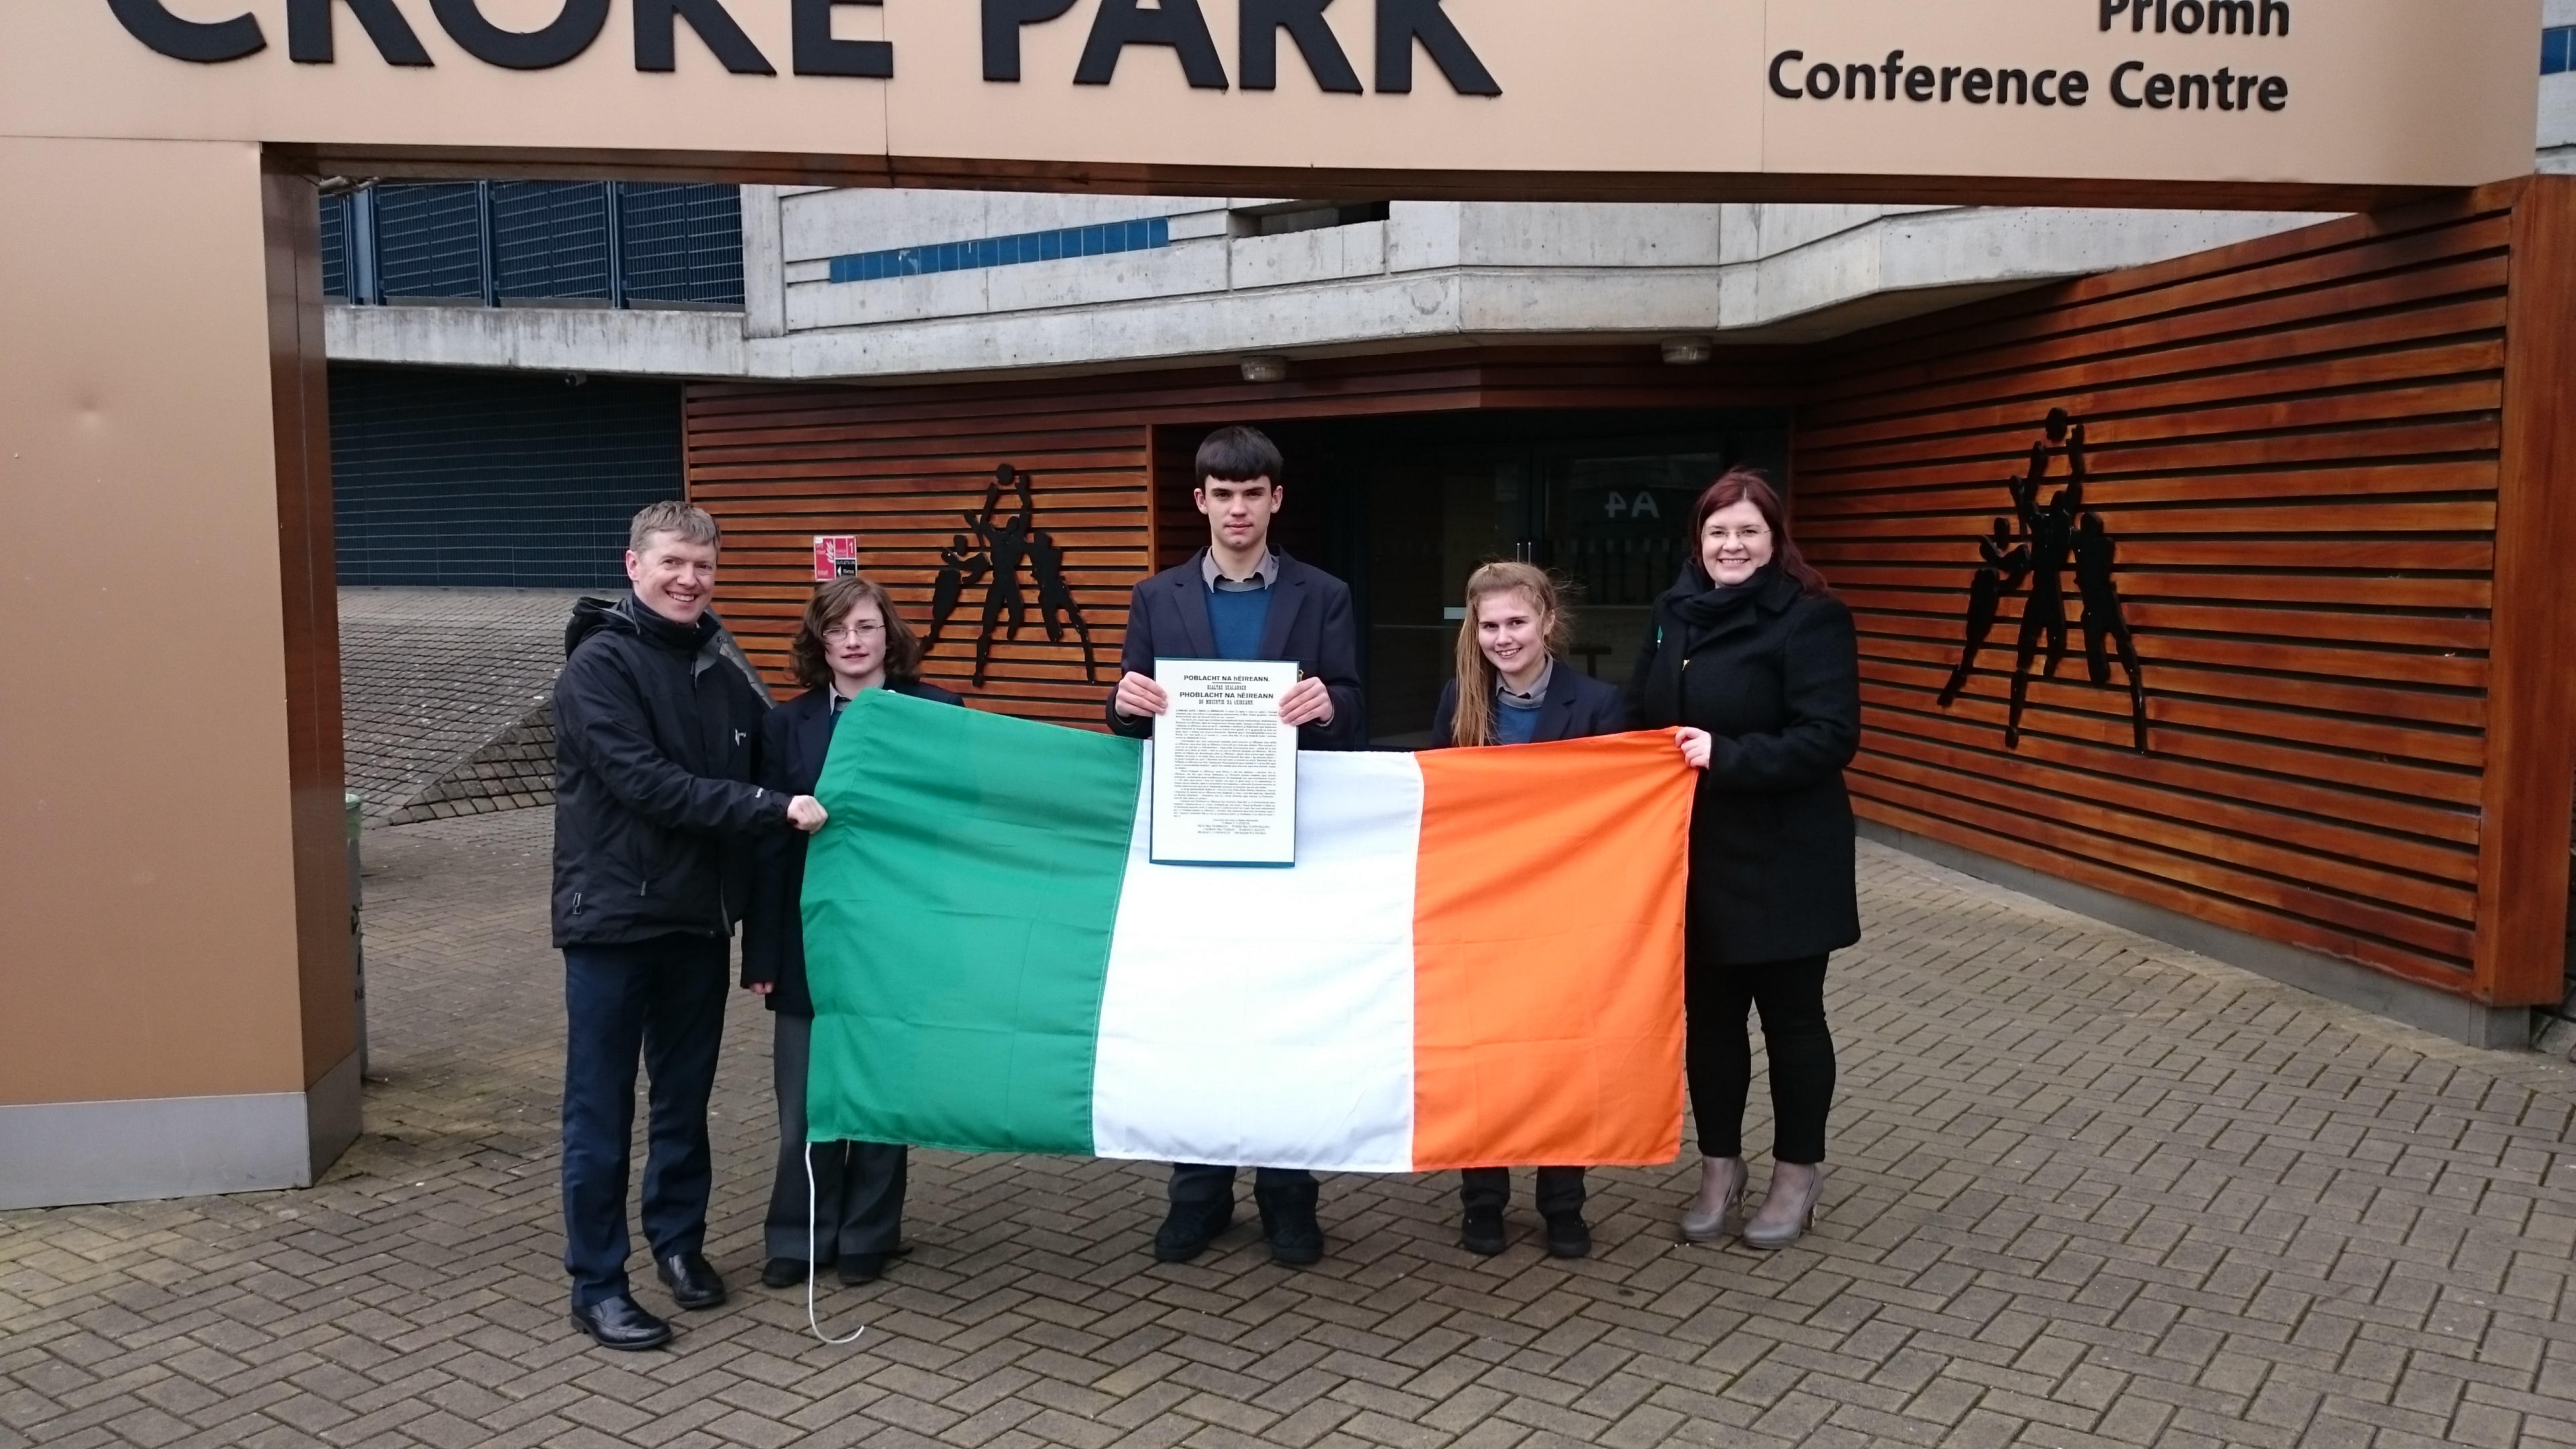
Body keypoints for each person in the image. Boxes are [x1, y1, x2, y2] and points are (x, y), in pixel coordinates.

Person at [551, 500, 830, 1351]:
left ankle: (677, 1243)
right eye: (672, 562)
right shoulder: (598, 668)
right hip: (613, 923)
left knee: (684, 1102)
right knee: (600, 1110)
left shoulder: (723, 671)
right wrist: (774, 805)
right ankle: (598, 1283)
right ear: (633, 564)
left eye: (703, 566)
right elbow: (647, 783)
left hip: (697, 925)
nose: (688, 580)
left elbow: (781, 756)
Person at [1106, 424, 1365, 1267]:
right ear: (1201, 501)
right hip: (1194, 845)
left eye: (1253, 493)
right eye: (1224, 494)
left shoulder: (1324, 594)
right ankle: (1199, 1193)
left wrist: (1330, 705)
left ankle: (1289, 1195)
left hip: (1290, 841)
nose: (1239, 509)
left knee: (1286, 1016)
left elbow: (1353, 702)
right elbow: (1128, 711)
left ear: (1276, 500)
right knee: (1197, 1016)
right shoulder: (1158, 597)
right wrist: (1122, 703)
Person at [1627, 468, 1860, 1251]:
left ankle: (1797, 1172)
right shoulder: (1673, 612)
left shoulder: (1812, 618)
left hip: (1786, 856)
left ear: (1774, 539)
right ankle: (1719, 1168)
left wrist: (1728, 754)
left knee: (1793, 1021)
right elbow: (1638, 711)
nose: (1732, 545)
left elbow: (1831, 736)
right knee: (1714, 1026)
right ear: (1699, 540)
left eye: (1748, 531)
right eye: (1718, 531)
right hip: (1695, 858)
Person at [742, 574, 961, 1291]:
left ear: (888, 635)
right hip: (810, 937)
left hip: (898, 936)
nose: (853, 641)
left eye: (866, 626)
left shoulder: (938, 713)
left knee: (879, 1095)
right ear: (820, 642)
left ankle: (869, 1233)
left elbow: (957, 828)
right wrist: (762, 951)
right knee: (805, 1104)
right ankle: (798, 1236)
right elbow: (768, 848)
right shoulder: (786, 725)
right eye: (837, 630)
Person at [1428, 561, 1627, 1260]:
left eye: (1517, 621)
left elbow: (1614, 811)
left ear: (1548, 621)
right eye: (1490, 625)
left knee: (1560, 1060)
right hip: (1481, 911)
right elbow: (1439, 800)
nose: (1504, 637)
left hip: (1562, 914)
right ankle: (1483, 1200)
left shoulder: (1599, 705)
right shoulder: (1459, 698)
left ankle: (1562, 1203)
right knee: (1482, 1060)